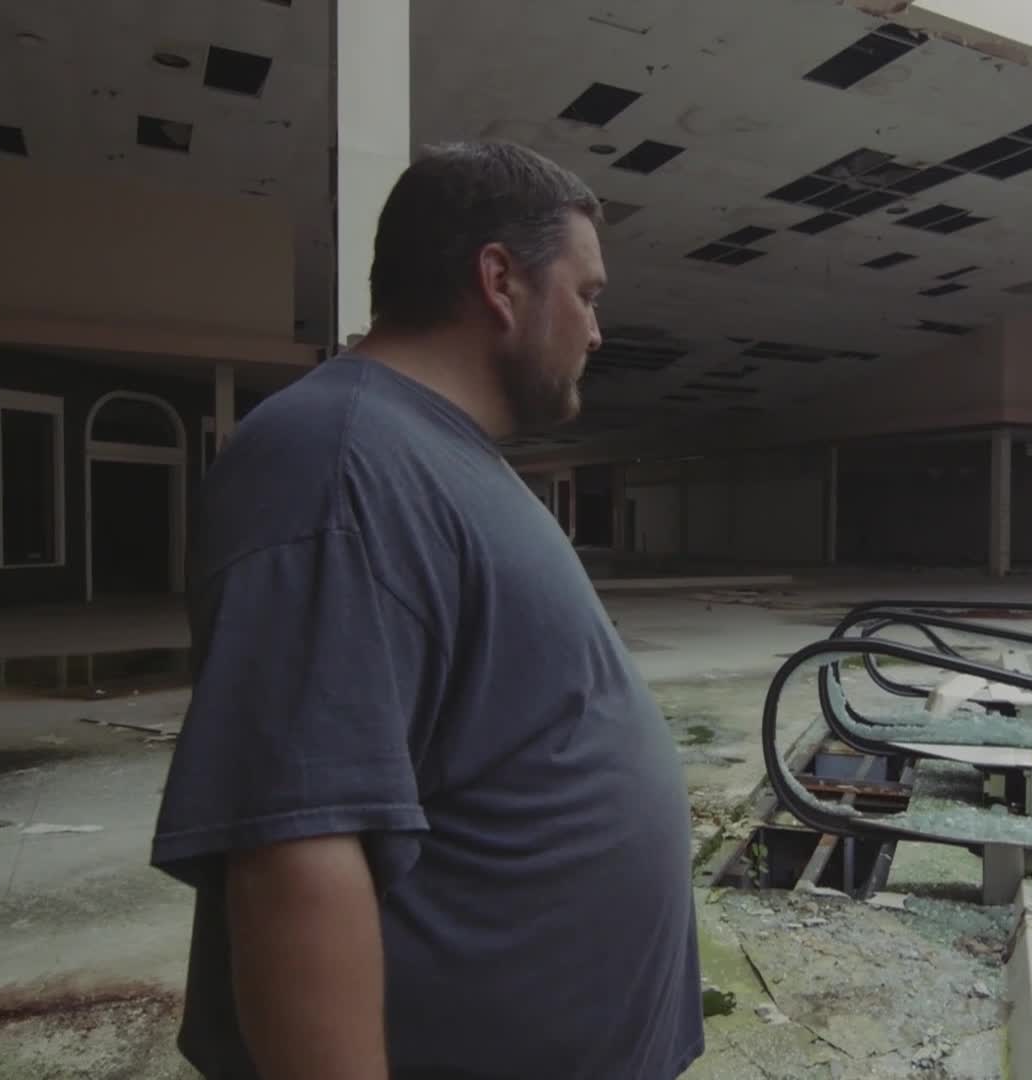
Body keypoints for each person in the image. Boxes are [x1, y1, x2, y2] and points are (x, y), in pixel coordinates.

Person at [151, 140, 705, 1079]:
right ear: (501, 280)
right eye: (587, 294)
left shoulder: (434, 456)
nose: (597, 332)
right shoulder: (333, 463)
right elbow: (296, 850)